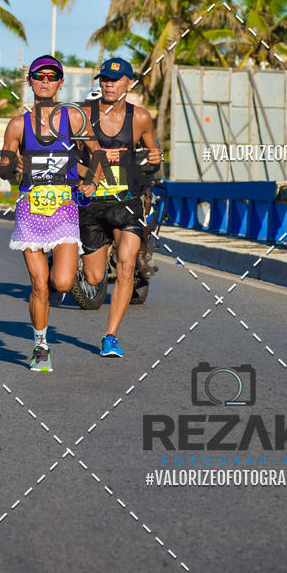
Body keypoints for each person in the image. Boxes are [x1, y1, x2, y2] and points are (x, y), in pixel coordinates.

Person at [0, 55, 100, 372]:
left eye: (52, 76)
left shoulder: (72, 118)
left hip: (65, 207)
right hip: (30, 208)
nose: (45, 81)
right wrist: (10, 167)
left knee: (62, 282)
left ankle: (59, 258)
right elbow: (2, 168)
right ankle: (41, 347)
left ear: (60, 83)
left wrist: (93, 181)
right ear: (30, 81)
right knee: (40, 284)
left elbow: (96, 153)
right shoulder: (18, 124)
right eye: (38, 76)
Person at [79, 57, 162, 358]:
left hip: (127, 200)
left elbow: (154, 152)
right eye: (104, 79)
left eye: (115, 80)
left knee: (127, 263)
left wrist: (154, 159)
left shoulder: (139, 117)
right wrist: (88, 172)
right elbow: (64, 156)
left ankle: (110, 335)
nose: (108, 84)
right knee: (94, 278)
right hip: (92, 203)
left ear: (129, 83)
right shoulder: (82, 115)